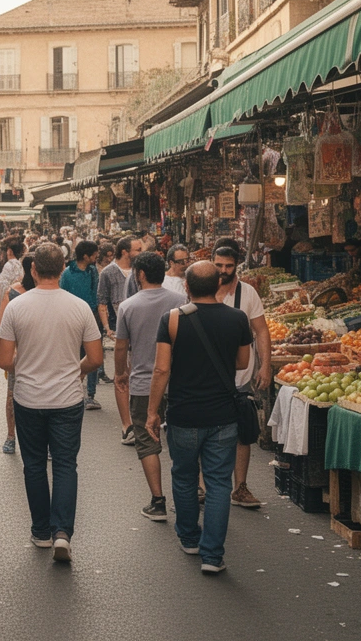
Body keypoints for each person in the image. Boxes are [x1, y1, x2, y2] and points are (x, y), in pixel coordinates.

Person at [0, 244, 104, 563]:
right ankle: (62, 533)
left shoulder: (16, 306)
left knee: (33, 465)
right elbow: (96, 358)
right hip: (67, 398)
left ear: (32, 270)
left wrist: (27, 367)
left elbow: (4, 360)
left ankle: (41, 531)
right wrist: (76, 370)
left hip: (28, 398)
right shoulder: (79, 307)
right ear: (62, 269)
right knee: (65, 464)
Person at [146, 261, 251, 574]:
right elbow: (242, 362)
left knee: (184, 476)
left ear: (187, 287)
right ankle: (212, 556)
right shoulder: (237, 318)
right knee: (218, 482)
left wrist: (152, 412)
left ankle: (190, 538)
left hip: (184, 414)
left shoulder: (172, 319)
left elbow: (161, 369)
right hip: (223, 415)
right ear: (218, 284)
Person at [114, 252, 186, 522]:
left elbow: (121, 346)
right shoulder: (180, 302)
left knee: (147, 442)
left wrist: (120, 373)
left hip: (144, 384)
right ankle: (195, 490)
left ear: (140, 274)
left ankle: (158, 501)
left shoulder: (128, 306)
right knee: (184, 438)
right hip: (178, 383)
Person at [212, 245, 272, 509]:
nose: (224, 271)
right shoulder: (201, 288)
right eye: (219, 265)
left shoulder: (247, 293)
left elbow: (261, 330)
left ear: (236, 265)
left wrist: (265, 365)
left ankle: (241, 487)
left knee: (242, 432)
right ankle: (202, 487)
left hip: (240, 377)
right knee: (205, 432)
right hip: (208, 376)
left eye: (229, 266)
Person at [99, 235, 142, 444]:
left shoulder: (140, 270)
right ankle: (127, 424)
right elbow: (102, 301)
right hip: (119, 329)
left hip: (140, 329)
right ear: (125, 252)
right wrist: (107, 328)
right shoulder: (108, 273)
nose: (141, 253)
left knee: (138, 374)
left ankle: (140, 418)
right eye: (138, 249)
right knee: (121, 374)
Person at [0, 253, 35, 455]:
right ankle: (12, 436)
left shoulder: (14, 292)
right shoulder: (13, 293)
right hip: (23, 354)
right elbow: (1, 327)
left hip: (24, 354)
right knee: (15, 394)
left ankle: (14, 437)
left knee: (14, 394)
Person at [60, 241, 102, 410]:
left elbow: (96, 293)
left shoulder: (93, 271)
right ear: (86, 256)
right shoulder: (67, 273)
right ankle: (73, 390)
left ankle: (90, 394)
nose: (96, 256)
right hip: (71, 320)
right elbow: (62, 295)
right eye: (94, 254)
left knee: (92, 357)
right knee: (74, 356)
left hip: (91, 318)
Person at [0, 239, 26, 305]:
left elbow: (3, 286)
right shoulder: (19, 264)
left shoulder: (9, 265)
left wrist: (2, 302)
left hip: (9, 299)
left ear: (10, 251)